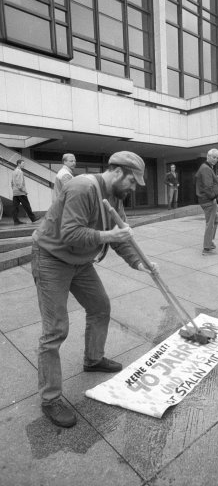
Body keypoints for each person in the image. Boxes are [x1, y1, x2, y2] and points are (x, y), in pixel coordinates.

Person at [31, 151, 158, 428]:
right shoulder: (82, 187)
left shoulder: (115, 197)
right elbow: (70, 234)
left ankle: (93, 358)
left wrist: (139, 263)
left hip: (80, 261)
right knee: (55, 330)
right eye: (132, 182)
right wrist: (108, 236)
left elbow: (121, 236)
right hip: (52, 259)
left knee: (100, 307)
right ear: (117, 172)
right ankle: (50, 398)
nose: (134, 188)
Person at [195, 148, 218, 255]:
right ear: (208, 156)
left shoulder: (206, 167)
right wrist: (214, 197)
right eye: (214, 157)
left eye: (217, 158)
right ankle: (206, 247)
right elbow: (208, 187)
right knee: (210, 223)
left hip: (207, 199)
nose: (216, 159)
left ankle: (209, 242)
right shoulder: (206, 168)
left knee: (214, 221)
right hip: (208, 200)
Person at [11, 159, 40, 225]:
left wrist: (14, 189)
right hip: (20, 192)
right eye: (23, 164)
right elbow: (19, 183)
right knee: (27, 205)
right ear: (19, 164)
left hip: (15, 192)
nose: (24, 165)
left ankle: (16, 221)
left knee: (15, 207)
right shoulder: (19, 172)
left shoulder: (14, 171)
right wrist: (24, 191)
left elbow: (12, 182)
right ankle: (33, 218)